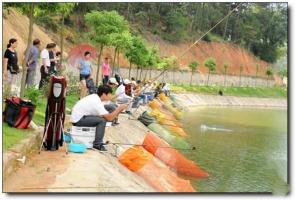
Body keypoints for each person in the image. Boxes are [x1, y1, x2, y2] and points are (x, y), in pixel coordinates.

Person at [71, 85, 128, 151]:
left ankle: (107, 125)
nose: (110, 96)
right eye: (109, 94)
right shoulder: (96, 102)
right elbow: (109, 118)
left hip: (82, 116)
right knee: (102, 121)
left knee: (111, 107)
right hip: (78, 120)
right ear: (104, 94)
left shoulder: (95, 97)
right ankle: (97, 144)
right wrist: (119, 109)